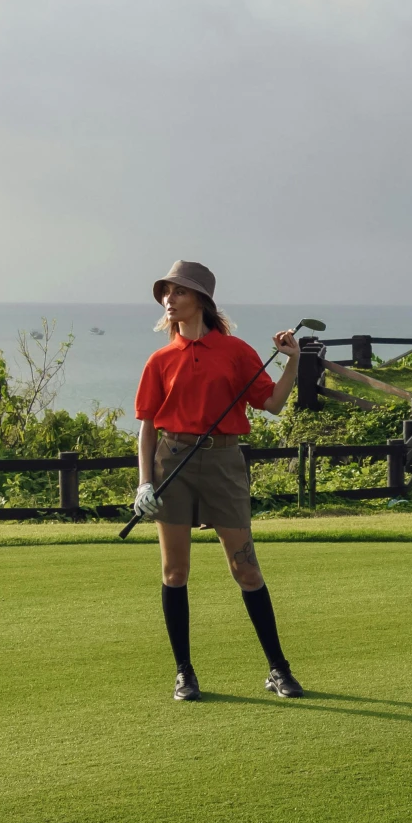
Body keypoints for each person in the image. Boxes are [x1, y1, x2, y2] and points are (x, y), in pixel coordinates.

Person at [132, 260, 305, 701]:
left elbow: (273, 404)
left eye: (179, 293)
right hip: (171, 462)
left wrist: (293, 363)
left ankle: (278, 669)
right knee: (175, 570)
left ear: (201, 301)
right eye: (166, 293)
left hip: (225, 462)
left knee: (245, 568)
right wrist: (143, 483)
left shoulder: (237, 351)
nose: (169, 300)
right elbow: (148, 427)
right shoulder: (160, 359)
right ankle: (184, 672)